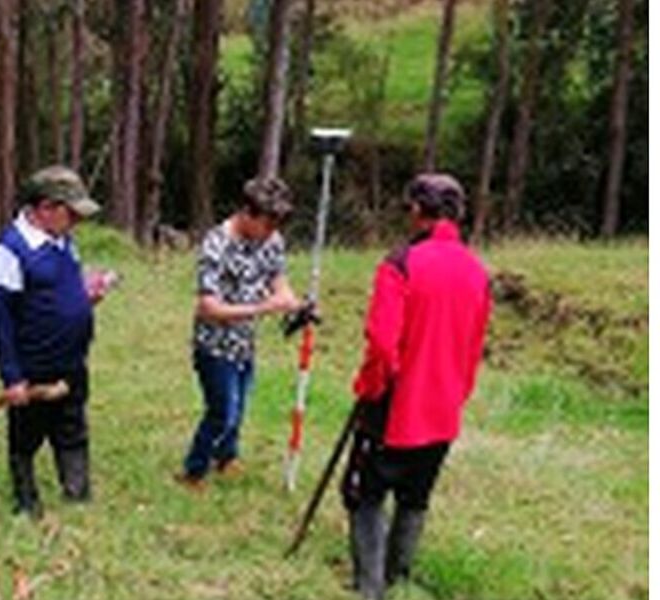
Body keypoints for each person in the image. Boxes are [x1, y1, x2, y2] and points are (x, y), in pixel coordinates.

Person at [341, 173, 492, 599]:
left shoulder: (400, 264)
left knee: (364, 494)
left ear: (417, 211)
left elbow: (383, 342)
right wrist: (456, 396)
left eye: (408, 207)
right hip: (444, 408)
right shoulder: (477, 272)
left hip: (395, 405)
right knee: (415, 496)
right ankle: (398, 578)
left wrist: (370, 388)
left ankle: (370, 587)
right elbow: (473, 347)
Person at [0, 165, 111, 518]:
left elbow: (61, 290)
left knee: (72, 425)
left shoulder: (63, 240)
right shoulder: (9, 250)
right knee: (26, 434)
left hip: (72, 360)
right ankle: (26, 501)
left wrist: (87, 296)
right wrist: (12, 377)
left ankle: (77, 493)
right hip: (34, 364)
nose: (76, 221)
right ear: (45, 207)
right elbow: (1, 318)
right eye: (70, 213)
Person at [177, 176, 305, 490]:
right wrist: (265, 307)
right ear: (247, 212)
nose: (272, 232)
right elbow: (208, 307)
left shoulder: (271, 239)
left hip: (245, 343)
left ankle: (226, 456)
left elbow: (277, 278)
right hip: (214, 346)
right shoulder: (216, 244)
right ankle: (193, 471)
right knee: (222, 410)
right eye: (267, 223)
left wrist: (291, 303)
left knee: (240, 403)